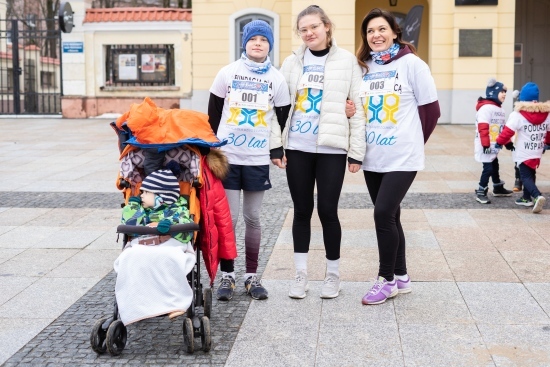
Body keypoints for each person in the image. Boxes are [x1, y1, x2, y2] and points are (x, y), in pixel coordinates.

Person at [275, 5, 366, 300]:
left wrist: (356, 152)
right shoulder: (291, 63)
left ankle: (333, 275)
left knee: (328, 211)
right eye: (303, 29)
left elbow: (358, 108)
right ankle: (300, 275)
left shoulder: (346, 61)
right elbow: (277, 108)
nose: (309, 33)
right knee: (301, 211)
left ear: (327, 26)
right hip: (298, 147)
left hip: (331, 149)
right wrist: (277, 144)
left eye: (314, 27)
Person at [355, 8, 440, 305]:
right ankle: (401, 276)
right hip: (372, 154)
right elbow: (357, 107)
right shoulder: (363, 66)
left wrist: (414, 142)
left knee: (381, 214)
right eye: (370, 31)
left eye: (381, 29)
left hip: (402, 155)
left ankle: (386, 280)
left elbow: (431, 110)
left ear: (394, 32)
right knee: (391, 214)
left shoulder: (412, 65)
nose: (375, 36)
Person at [208, 20, 291, 301]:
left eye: (264, 40)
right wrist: (210, 149)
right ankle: (227, 276)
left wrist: (275, 150)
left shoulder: (276, 79)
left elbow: (281, 119)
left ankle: (251, 276)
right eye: (253, 38)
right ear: (244, 42)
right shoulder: (227, 73)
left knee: (252, 218)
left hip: (257, 158)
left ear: (270, 45)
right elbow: (213, 114)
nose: (258, 43)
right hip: (227, 159)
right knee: (227, 220)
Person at [114, 167, 196, 325]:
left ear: (161, 196)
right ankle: (136, 303)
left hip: (169, 247)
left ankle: (174, 303)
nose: (141, 195)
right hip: (143, 246)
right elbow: (128, 223)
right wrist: (133, 206)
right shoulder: (142, 211)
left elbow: (187, 230)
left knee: (167, 259)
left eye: (145, 192)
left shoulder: (177, 210)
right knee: (129, 258)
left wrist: (171, 224)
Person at [496, 82, 550, 213]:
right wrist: (547, 143)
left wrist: (499, 141)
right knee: (531, 174)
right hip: (537, 150)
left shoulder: (517, 115)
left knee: (525, 176)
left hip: (524, 151)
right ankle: (526, 198)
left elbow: (507, 131)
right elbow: (548, 132)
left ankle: (537, 196)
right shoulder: (546, 114)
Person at [473, 78, 514, 204]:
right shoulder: (485, 109)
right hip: (485, 145)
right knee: (488, 168)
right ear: (493, 92)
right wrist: (485, 144)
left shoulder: (500, 110)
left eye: (505, 92)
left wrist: (507, 142)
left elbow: (502, 129)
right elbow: (483, 128)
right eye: (502, 91)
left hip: (494, 145)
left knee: (494, 165)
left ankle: (497, 187)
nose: (505, 94)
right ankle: (481, 191)